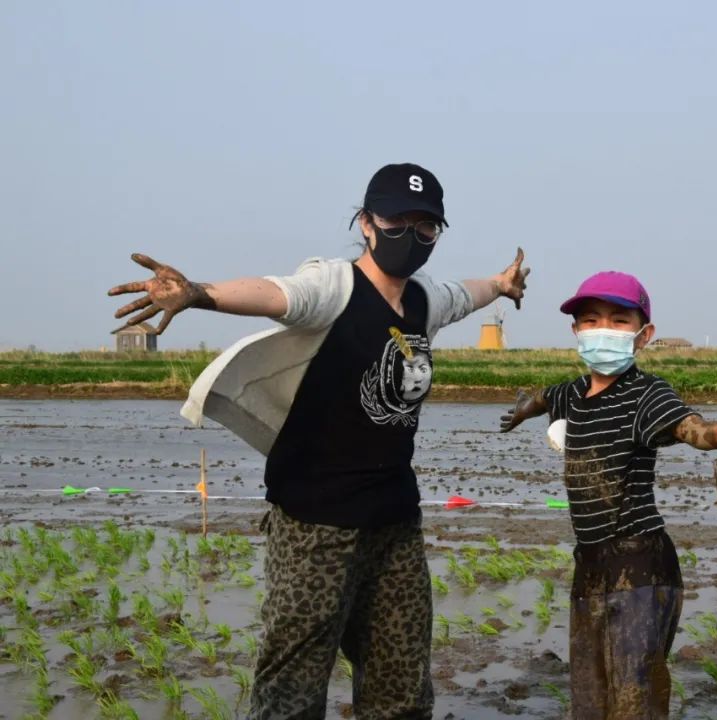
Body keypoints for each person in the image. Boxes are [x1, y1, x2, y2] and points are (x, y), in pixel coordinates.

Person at [109, 162, 529, 720]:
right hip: (315, 525)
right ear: (366, 224)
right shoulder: (334, 286)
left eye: (425, 226)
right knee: (292, 689)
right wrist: (199, 293)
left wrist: (500, 284)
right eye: (395, 221)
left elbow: (465, 294)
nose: (410, 235)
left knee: (402, 688)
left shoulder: (424, 300)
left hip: (395, 524)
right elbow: (278, 294)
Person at [499, 271, 717, 720]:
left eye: (619, 320)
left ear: (644, 335)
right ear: (576, 330)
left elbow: (703, 433)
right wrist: (524, 408)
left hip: (640, 566)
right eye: (591, 320)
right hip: (590, 567)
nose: (603, 329)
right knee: (590, 702)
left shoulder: (646, 395)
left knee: (634, 701)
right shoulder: (573, 395)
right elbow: (545, 397)